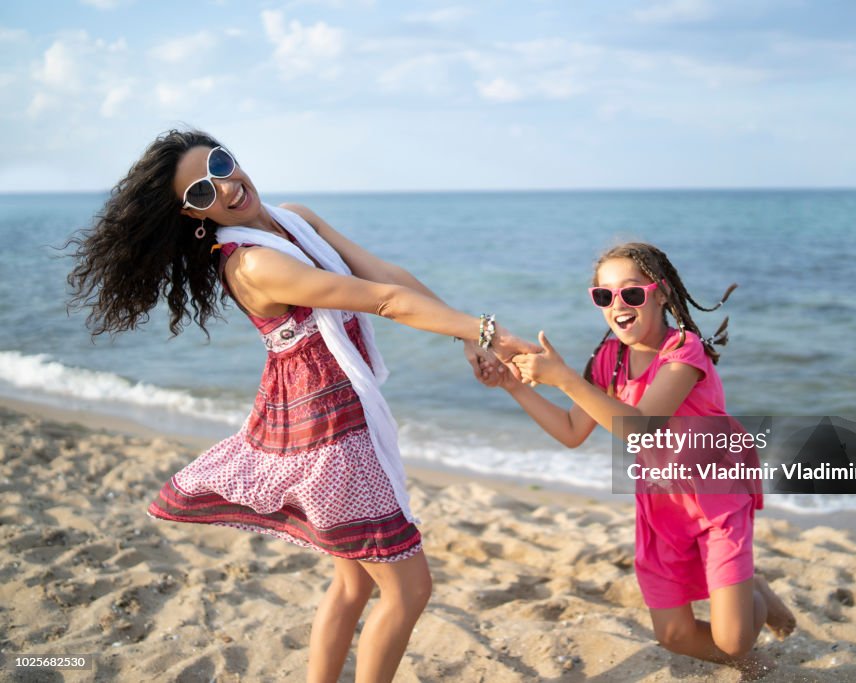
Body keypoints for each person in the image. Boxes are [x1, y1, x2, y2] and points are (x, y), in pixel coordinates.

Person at [65, 129, 533, 683]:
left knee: (356, 582)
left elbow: (384, 275)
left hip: (333, 412)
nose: (225, 187)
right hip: (326, 434)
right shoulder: (251, 266)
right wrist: (489, 329)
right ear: (194, 216)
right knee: (409, 590)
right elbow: (383, 302)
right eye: (201, 193)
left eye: (220, 164)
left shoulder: (295, 218)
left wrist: (465, 336)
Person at [491, 242, 796, 679]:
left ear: (662, 294)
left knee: (732, 638)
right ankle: (754, 655)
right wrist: (514, 385)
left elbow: (642, 426)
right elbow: (572, 432)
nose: (618, 304)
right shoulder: (609, 362)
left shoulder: (683, 350)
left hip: (716, 500)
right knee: (673, 635)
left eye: (631, 293)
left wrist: (561, 377)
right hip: (662, 505)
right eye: (604, 296)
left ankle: (755, 594)